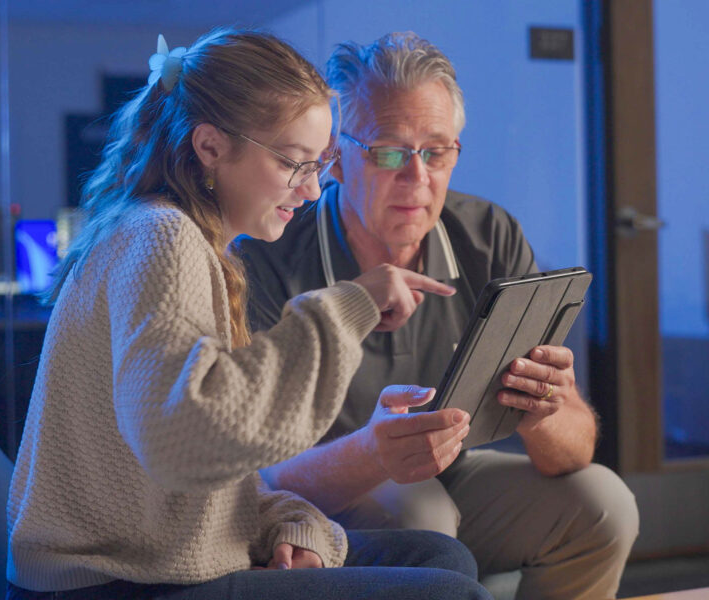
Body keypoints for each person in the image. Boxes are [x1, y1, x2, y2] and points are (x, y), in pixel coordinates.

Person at [5, 28, 493, 600]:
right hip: (113, 582)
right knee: (449, 592)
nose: (312, 191)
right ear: (210, 147)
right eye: (293, 163)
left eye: (320, 164)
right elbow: (184, 436)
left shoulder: (185, 239)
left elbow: (201, 477)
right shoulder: (163, 237)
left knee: (441, 554)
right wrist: (348, 306)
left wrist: (289, 522)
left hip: (156, 554)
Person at [238, 32, 640, 600]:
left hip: (456, 473)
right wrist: (375, 451)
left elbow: (574, 449)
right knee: (419, 513)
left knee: (603, 503)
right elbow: (252, 477)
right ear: (336, 158)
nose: (417, 178)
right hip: (314, 497)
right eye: (388, 151)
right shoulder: (268, 254)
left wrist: (545, 411)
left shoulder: (489, 235)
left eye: (437, 151)